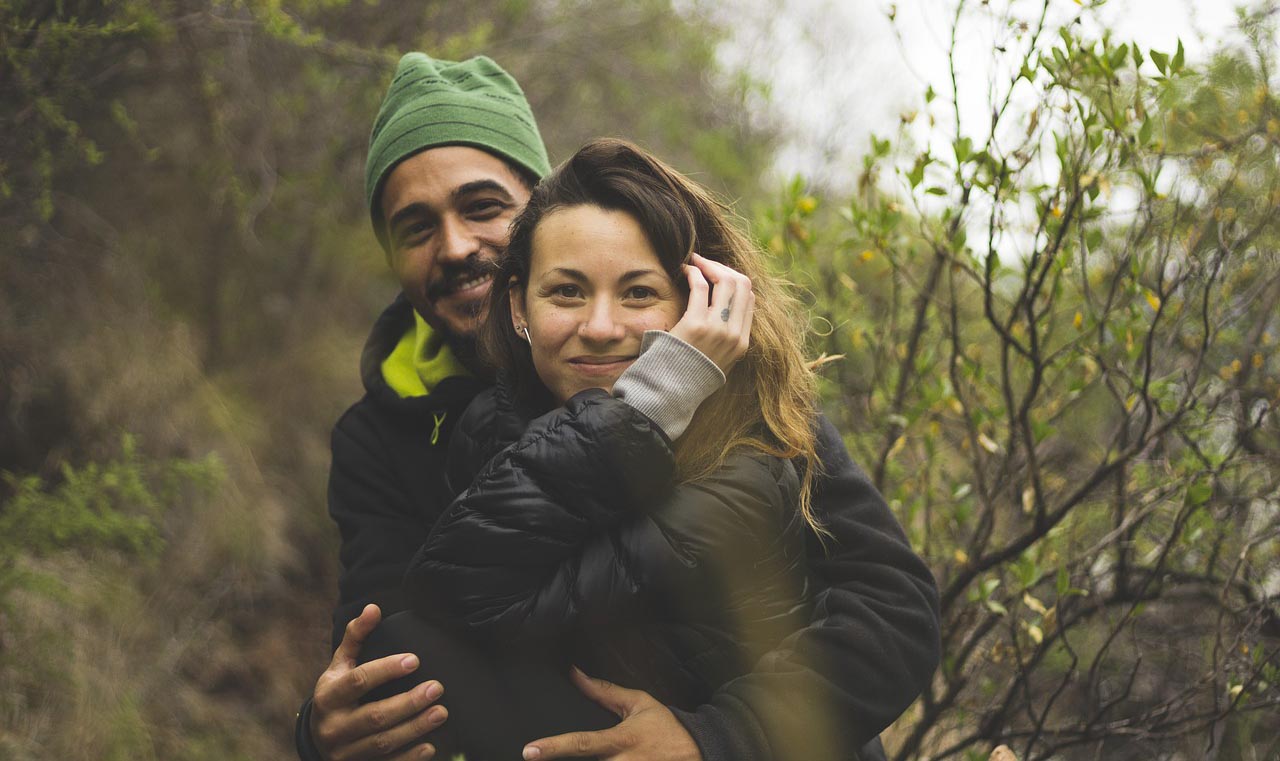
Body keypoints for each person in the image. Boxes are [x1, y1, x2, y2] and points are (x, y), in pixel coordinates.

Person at [297, 52, 940, 761]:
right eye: (415, 227)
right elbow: (388, 643)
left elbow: (892, 602)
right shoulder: (382, 432)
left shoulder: (727, 383)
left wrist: (713, 738)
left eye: (482, 208)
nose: (453, 246)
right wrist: (318, 731)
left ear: (538, 211)